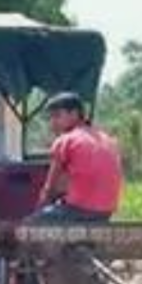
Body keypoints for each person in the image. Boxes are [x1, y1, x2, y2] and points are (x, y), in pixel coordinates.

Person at [34, 92, 124, 223]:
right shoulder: (107, 139)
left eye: (57, 116)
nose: (52, 123)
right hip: (106, 213)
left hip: (79, 212)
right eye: (51, 118)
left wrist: (38, 210)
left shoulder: (66, 140)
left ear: (74, 114)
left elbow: (50, 189)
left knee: (31, 224)